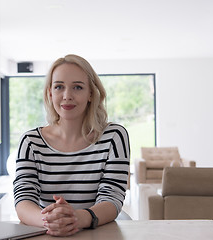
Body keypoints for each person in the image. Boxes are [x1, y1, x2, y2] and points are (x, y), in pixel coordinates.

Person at [13, 54, 130, 237]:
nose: (67, 96)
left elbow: (112, 198)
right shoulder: (30, 142)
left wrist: (77, 218)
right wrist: (51, 222)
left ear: (91, 93)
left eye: (77, 87)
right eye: (59, 87)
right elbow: (23, 200)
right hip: (48, 233)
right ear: (50, 93)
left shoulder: (114, 137)